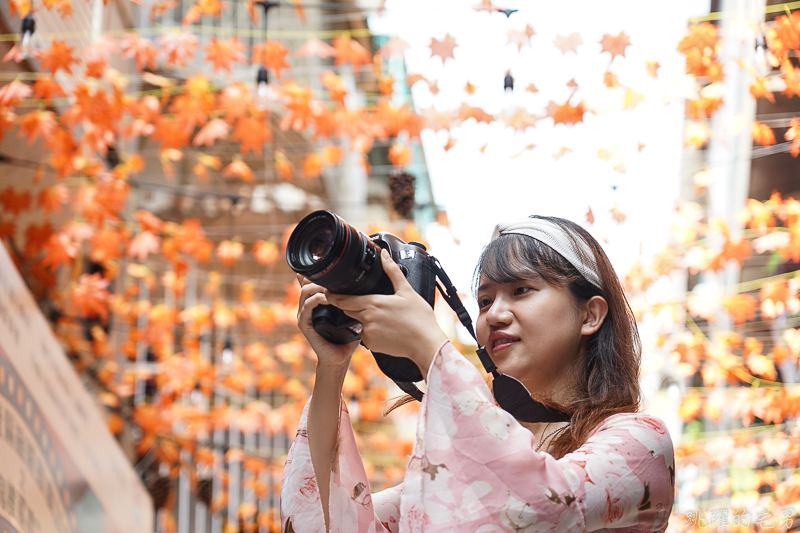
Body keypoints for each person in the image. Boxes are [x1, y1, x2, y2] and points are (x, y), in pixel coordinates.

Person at [281, 215, 676, 533]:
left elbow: (535, 504)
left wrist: (428, 347)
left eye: (521, 290)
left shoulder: (641, 443)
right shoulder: (469, 457)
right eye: (485, 300)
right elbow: (337, 517)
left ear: (590, 314)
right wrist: (331, 368)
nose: (495, 315)